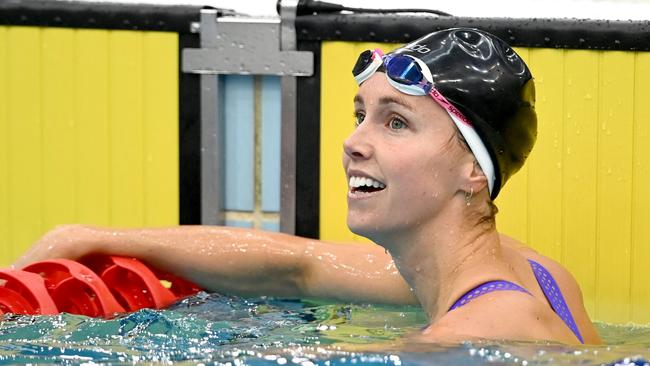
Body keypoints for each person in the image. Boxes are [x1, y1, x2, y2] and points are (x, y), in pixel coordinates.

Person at [14, 28, 601, 345]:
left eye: (396, 122)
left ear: (475, 170)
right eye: (361, 115)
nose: (354, 143)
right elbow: (298, 267)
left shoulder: (474, 335)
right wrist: (86, 236)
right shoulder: (528, 272)